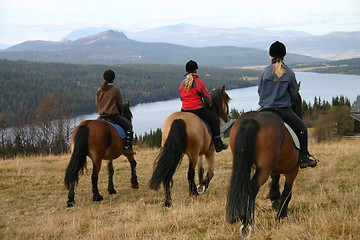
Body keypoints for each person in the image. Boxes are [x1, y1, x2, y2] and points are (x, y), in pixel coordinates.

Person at [258, 41, 317, 168]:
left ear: (271, 56)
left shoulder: (264, 72)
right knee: (302, 129)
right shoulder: (289, 73)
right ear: (284, 55)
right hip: (283, 110)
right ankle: (303, 158)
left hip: (264, 110)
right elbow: (294, 94)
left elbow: (260, 91)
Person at [179, 60, 228, 152]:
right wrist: (208, 105)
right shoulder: (199, 83)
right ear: (196, 70)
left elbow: (181, 98)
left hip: (184, 110)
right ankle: (218, 144)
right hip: (197, 109)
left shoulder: (182, 84)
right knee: (214, 121)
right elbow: (207, 99)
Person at [96, 69, 135, 155]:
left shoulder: (99, 90)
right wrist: (120, 112)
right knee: (128, 126)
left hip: (101, 116)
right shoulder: (115, 90)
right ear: (113, 79)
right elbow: (120, 105)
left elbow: (97, 104)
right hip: (113, 115)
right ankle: (127, 148)